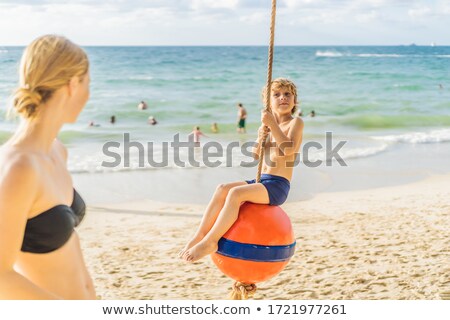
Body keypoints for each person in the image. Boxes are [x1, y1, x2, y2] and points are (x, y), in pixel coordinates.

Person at [0, 35, 95, 299]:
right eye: (88, 83)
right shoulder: (17, 167)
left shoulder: (55, 150)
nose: (89, 94)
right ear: (73, 84)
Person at [180, 78, 304, 262]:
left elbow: (288, 149)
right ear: (268, 102)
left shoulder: (295, 123)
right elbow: (255, 154)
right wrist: (261, 136)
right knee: (223, 188)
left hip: (277, 186)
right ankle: (200, 235)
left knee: (236, 194)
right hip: (262, 181)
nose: (283, 98)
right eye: (276, 95)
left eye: (287, 94)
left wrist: (273, 125)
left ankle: (211, 241)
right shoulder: (268, 126)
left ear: (294, 100)